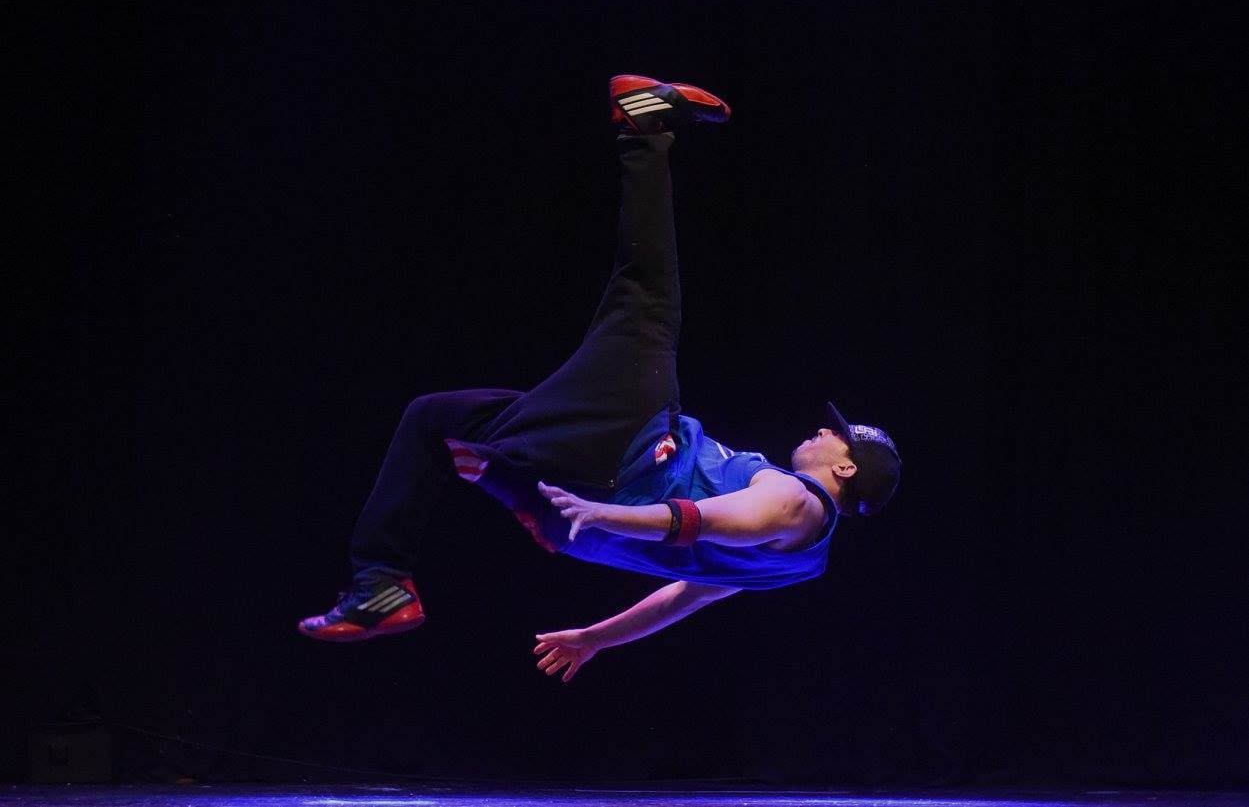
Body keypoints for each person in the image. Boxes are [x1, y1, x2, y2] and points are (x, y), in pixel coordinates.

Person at [298, 75, 902, 683]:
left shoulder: (795, 501)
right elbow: (688, 593)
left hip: (624, 452)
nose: (825, 431)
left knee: (647, 296)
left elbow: (692, 519)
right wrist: (597, 638)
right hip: (574, 505)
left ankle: (642, 124)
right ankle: (380, 584)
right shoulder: (801, 564)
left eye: (839, 436)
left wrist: (602, 513)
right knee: (434, 419)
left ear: (845, 468)